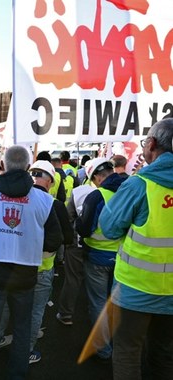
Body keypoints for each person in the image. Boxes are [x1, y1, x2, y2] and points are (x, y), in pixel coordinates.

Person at [0, 145, 62, 379]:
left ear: (3, 165)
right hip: (25, 271)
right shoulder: (43, 200)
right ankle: (17, 374)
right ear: (28, 167)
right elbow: (55, 239)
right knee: (21, 329)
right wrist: (28, 240)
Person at [99, 118, 173, 379]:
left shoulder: (139, 183)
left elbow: (108, 227)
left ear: (152, 144)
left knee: (128, 351)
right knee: (164, 354)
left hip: (135, 290)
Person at [75, 157, 126, 360]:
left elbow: (85, 229)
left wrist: (79, 222)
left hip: (96, 257)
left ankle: (104, 349)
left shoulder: (96, 196)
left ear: (96, 177)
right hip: (123, 257)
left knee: (97, 302)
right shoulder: (129, 191)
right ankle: (121, 346)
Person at [25, 160, 73, 364]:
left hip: (15, 265)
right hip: (42, 268)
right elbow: (67, 238)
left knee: (8, 306)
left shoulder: (15, 198)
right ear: (51, 181)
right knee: (36, 310)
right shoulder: (54, 204)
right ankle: (27, 351)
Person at [56, 160, 98, 326]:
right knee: (98, 283)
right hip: (106, 248)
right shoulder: (120, 191)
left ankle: (66, 313)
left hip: (79, 242)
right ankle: (96, 315)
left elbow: (68, 217)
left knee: (73, 279)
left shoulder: (79, 191)